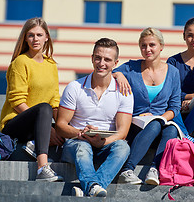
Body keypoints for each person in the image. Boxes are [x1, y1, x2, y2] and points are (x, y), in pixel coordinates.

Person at [55, 38, 134, 197]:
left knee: (123, 147)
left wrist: (102, 141)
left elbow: (122, 133)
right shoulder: (75, 87)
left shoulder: (124, 91)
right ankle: (93, 186)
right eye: (98, 58)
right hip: (76, 143)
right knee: (83, 147)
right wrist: (81, 134)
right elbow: (60, 125)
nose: (101, 63)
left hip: (105, 143)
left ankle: (89, 188)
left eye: (107, 59)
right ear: (92, 58)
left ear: (115, 63)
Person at [114, 27, 183, 186]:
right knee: (155, 125)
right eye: (143, 46)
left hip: (161, 124)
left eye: (152, 45)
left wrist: (160, 118)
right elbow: (107, 73)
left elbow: (175, 106)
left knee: (170, 128)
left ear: (161, 46)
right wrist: (119, 75)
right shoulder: (131, 68)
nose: (147, 49)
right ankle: (127, 170)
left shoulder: (172, 72)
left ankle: (155, 169)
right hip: (136, 125)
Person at [0, 17, 63, 182]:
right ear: (25, 38)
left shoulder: (51, 65)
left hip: (40, 122)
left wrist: (61, 127)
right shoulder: (20, 62)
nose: (35, 39)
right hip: (15, 125)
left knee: (63, 123)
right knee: (44, 108)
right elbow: (16, 101)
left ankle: (36, 142)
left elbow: (55, 100)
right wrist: (46, 128)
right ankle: (42, 168)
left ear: (47, 37)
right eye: (31, 35)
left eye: (39, 35)